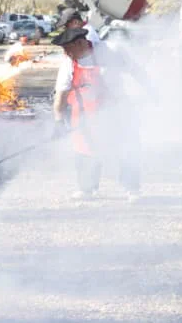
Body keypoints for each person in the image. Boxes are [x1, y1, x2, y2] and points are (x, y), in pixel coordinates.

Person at [52, 26, 142, 202]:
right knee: (84, 149)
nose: (66, 53)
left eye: (68, 49)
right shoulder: (69, 62)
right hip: (85, 113)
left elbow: (135, 71)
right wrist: (58, 120)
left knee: (126, 147)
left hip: (117, 110)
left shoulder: (111, 51)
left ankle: (132, 189)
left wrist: (151, 90)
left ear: (80, 43)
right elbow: (61, 93)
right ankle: (87, 189)